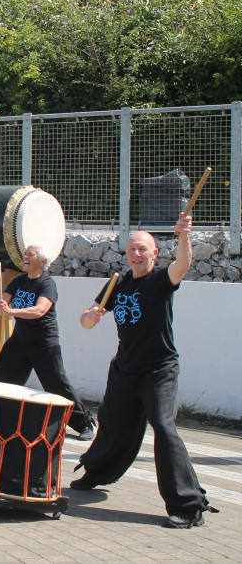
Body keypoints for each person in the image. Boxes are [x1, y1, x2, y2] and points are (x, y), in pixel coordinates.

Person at [72, 216, 215, 529]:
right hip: (125, 368)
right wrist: (91, 317)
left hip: (159, 369)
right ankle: (96, 472)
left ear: (154, 255)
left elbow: (184, 263)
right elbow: (85, 319)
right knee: (111, 421)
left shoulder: (162, 279)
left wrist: (183, 235)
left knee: (163, 427)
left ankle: (188, 505)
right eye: (132, 249)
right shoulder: (118, 283)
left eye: (143, 249)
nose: (136, 254)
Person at [0, 243, 96, 440]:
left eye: (30, 255)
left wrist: (12, 312)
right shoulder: (18, 281)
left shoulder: (47, 284)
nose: (25, 257)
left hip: (44, 342)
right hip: (20, 340)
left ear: (43, 261)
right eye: (25, 254)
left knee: (57, 384)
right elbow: (1, 303)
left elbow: (39, 310)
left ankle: (83, 424)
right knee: (0, 375)